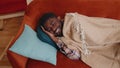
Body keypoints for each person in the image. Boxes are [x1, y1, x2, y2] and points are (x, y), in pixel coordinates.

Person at [38, 12, 120, 68]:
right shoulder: (63, 41)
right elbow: (75, 56)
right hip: (103, 50)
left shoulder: (72, 19)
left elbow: (95, 29)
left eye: (53, 23)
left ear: (59, 18)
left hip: (110, 34)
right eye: (49, 29)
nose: (53, 28)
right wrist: (54, 39)